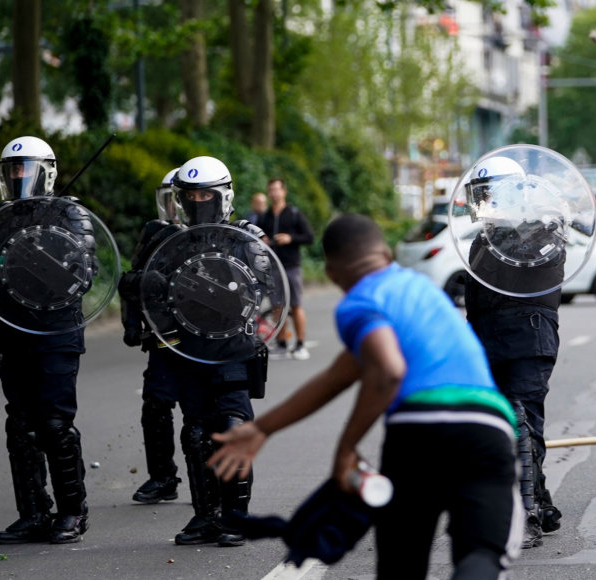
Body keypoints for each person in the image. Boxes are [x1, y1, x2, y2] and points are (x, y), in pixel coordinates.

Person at [207, 214, 522, 579]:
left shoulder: (360, 302)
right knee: (481, 554)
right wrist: (262, 429)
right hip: (486, 426)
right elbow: (335, 377)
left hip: (417, 431)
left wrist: (345, 450)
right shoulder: (422, 291)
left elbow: (387, 371)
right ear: (386, 255)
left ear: (332, 273)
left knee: (401, 565)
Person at [148, 156, 269, 547]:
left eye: (205, 194)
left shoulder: (245, 238)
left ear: (223, 196)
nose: (199, 202)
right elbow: (158, 294)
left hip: (233, 351)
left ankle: (236, 519)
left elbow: (264, 288)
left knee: (231, 429)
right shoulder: (172, 243)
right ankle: (206, 516)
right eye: (191, 195)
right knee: (197, 433)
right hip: (188, 350)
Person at [0, 136, 92, 544]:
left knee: (54, 425)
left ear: (45, 171)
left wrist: (39, 251)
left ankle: (71, 513)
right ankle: (32, 513)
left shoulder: (70, 215)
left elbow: (84, 274)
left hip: (55, 334)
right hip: (12, 335)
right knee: (20, 426)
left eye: (24, 168)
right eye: (12, 169)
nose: (17, 176)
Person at [461, 155, 563, 549]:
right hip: (489, 339)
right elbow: (476, 301)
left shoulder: (541, 233)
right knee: (505, 424)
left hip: (527, 337)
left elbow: (542, 276)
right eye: (480, 193)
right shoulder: (480, 241)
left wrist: (523, 226)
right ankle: (542, 501)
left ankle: (528, 517)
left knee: (523, 420)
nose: (483, 200)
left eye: (490, 192)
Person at [118, 168, 185, 504]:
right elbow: (131, 281)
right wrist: (131, 323)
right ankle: (162, 477)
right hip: (164, 337)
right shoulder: (155, 233)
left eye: (181, 199)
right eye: (170, 200)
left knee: (204, 415)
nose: (175, 207)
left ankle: (213, 482)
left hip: (204, 341)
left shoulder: (215, 234)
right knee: (155, 405)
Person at [259, 178, 314, 360]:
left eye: (277, 189)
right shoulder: (265, 216)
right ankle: (282, 343)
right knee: (277, 307)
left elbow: (309, 237)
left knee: (296, 306)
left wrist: (290, 238)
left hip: (291, 266)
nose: (274, 193)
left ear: (284, 191)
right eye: (271, 190)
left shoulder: (294, 213)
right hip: (272, 267)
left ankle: (300, 344)